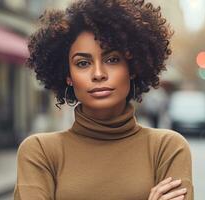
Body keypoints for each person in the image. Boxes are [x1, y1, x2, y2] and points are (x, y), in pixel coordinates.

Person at [13, 1, 194, 199]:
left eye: (112, 59)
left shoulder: (167, 148)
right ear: (68, 76)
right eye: (83, 63)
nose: (98, 74)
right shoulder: (40, 152)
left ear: (132, 68)